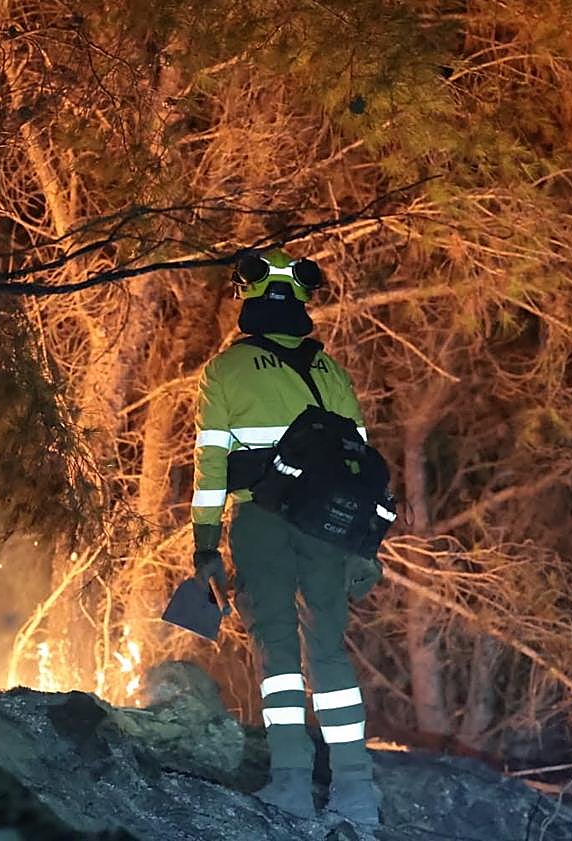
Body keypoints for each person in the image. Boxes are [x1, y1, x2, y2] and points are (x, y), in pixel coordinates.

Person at [190, 248, 382, 825]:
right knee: (328, 652)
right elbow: (362, 463)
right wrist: (364, 545)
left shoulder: (225, 371)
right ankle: (357, 794)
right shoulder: (331, 370)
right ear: (302, 300)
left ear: (245, 297)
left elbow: (210, 470)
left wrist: (204, 548)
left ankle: (292, 787)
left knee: (277, 651)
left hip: (263, 522)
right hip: (329, 528)